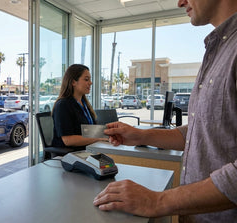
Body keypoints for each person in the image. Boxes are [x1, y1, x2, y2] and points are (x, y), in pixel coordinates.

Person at [93, 0, 237, 222]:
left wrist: (157, 201)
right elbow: (202, 132)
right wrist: (141, 135)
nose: (180, 2)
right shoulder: (219, 49)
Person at [52, 64, 107, 152]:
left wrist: (109, 133)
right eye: (86, 79)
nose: (90, 82)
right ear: (73, 82)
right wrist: (99, 138)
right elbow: (68, 140)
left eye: (90, 79)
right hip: (70, 155)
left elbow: (90, 130)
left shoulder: (84, 104)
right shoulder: (63, 105)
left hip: (89, 150)